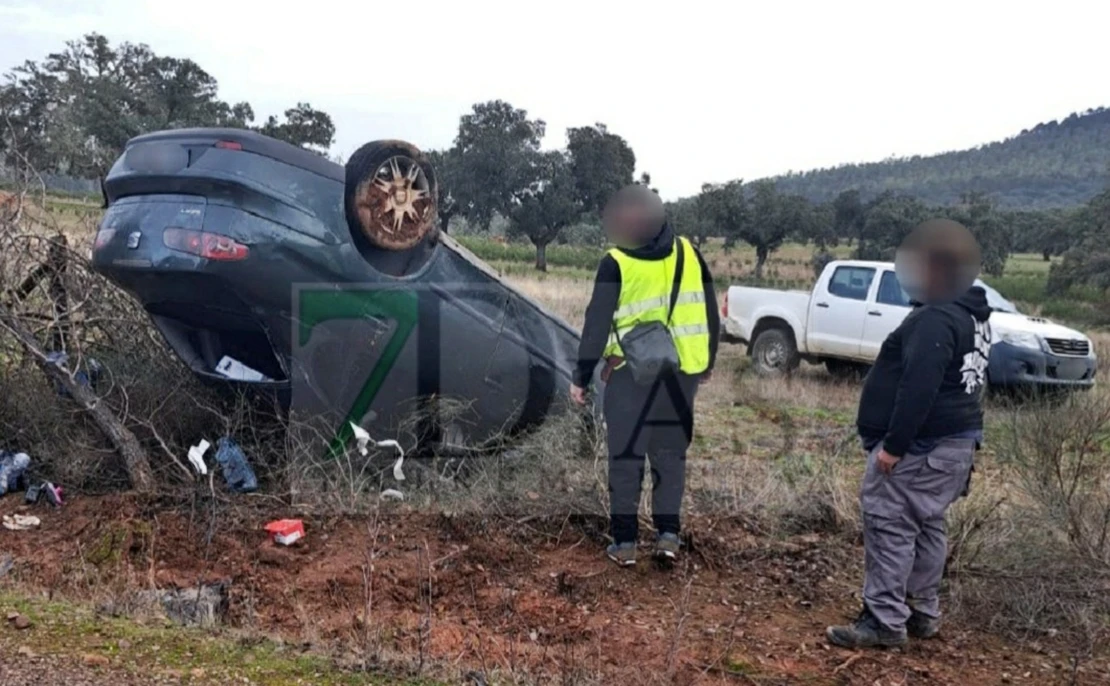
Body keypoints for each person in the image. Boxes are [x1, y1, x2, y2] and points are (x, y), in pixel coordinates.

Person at [827, 219, 993, 648]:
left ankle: (884, 620)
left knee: (891, 523)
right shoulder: (972, 315)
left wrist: (894, 447)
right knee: (927, 524)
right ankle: (921, 612)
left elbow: (919, 387)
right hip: (954, 445)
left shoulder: (936, 318)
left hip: (921, 447)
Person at [569, 184, 719, 566]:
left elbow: (596, 324)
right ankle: (668, 537)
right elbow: (710, 310)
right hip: (681, 374)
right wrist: (707, 361)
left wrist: (581, 376)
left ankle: (625, 544)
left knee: (626, 457)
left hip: (628, 376)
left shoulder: (616, 262)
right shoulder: (689, 253)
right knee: (670, 457)